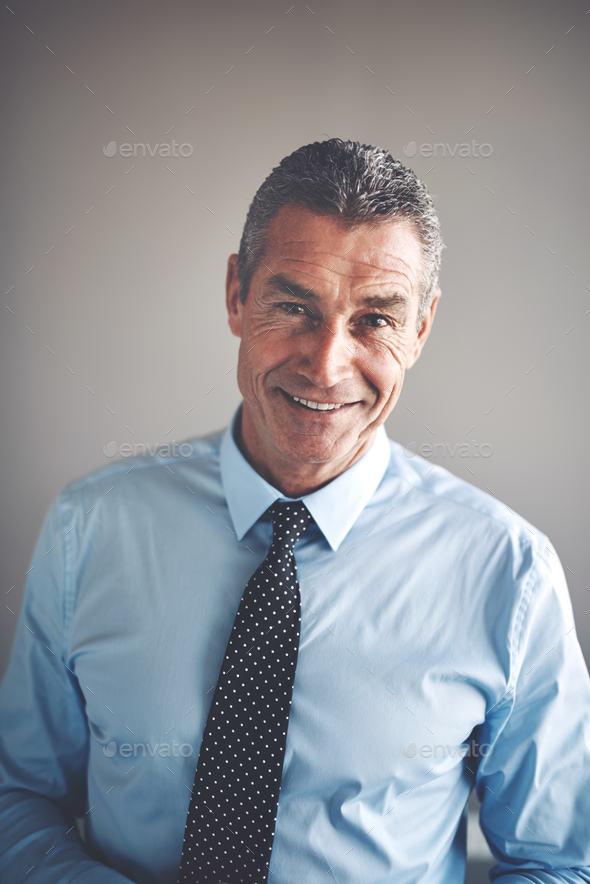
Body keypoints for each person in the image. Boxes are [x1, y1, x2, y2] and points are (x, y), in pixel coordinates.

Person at [1, 138, 589, 884]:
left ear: (421, 330)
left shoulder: (511, 574)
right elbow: (18, 798)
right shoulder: (87, 532)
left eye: (375, 319)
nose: (325, 364)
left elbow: (557, 864)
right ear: (236, 295)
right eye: (293, 306)